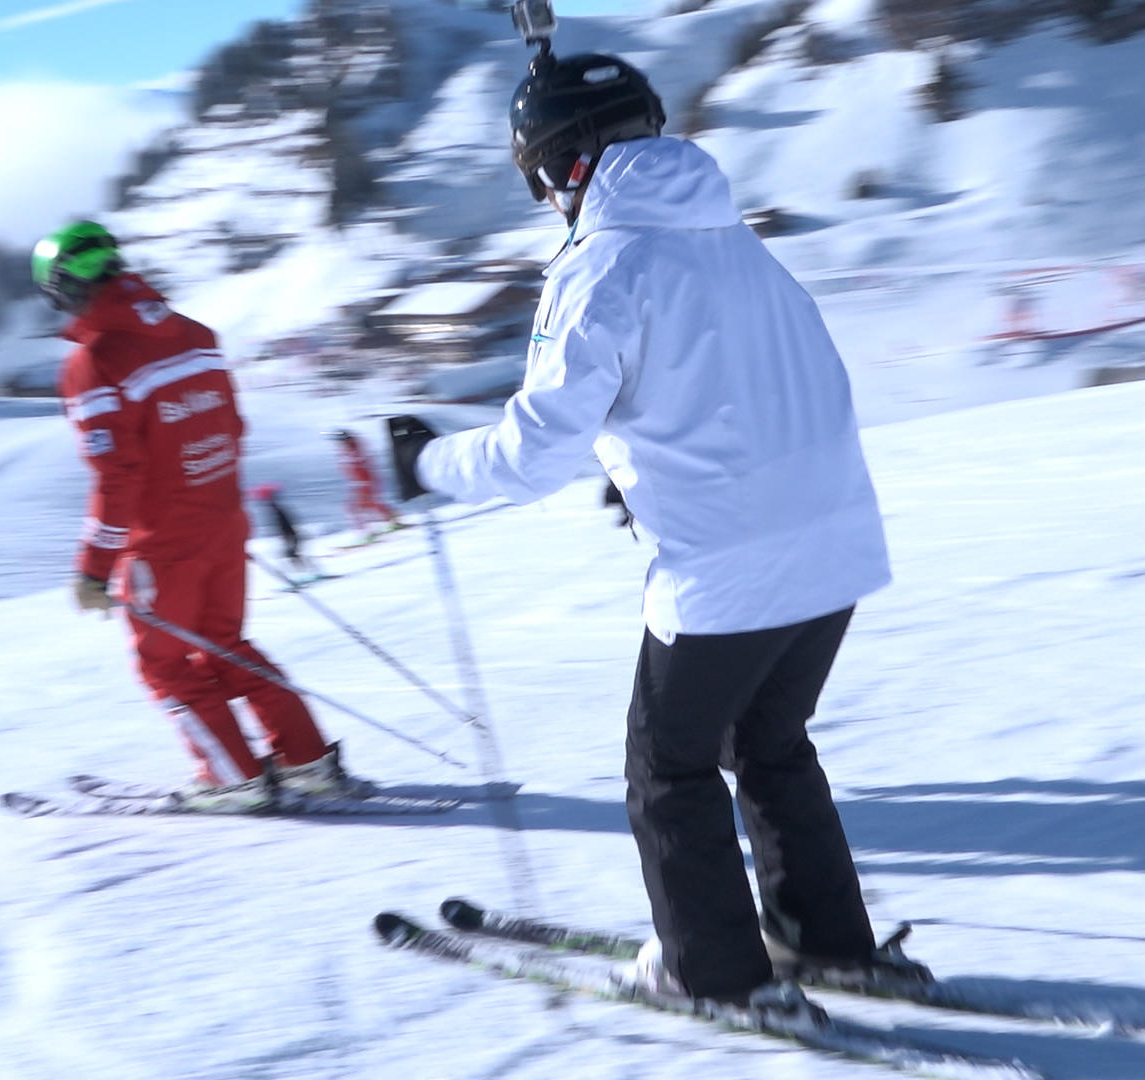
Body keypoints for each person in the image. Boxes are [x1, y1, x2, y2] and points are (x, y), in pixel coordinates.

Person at [384, 52, 925, 1014]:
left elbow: (530, 455)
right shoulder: (737, 241)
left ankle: (714, 974)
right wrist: (645, 466)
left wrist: (427, 463)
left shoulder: (603, 266)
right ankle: (822, 940)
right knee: (768, 736)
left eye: (541, 177)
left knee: (667, 763)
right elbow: (776, 389)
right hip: (837, 550)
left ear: (560, 168)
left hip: (728, 570)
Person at [34, 220, 345, 797]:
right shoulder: (197, 335)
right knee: (225, 645)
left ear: (60, 288)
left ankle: (233, 780)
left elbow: (115, 474)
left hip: (163, 542)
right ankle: (307, 761)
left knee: (166, 664)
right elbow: (232, 427)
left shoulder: (95, 362)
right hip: (224, 523)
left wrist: (94, 570)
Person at [329, 428, 398, 535]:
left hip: (365, 482)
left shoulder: (354, 449)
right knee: (368, 505)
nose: (337, 444)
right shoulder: (350, 448)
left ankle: (365, 532)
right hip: (361, 482)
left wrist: (363, 482)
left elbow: (361, 463)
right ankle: (392, 519)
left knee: (355, 507)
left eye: (338, 441)